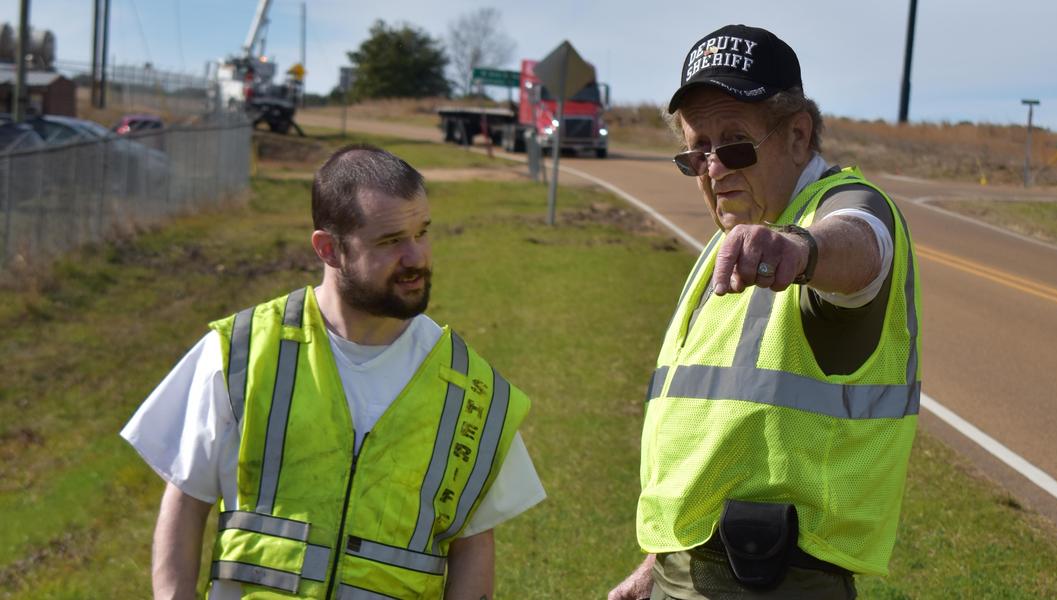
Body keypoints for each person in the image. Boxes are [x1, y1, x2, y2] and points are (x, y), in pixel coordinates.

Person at [122, 144, 545, 599]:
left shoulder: (471, 389)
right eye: (390, 241)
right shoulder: (242, 353)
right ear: (329, 249)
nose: (416, 257)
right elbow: (186, 500)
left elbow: (473, 543)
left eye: (422, 233)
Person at [609, 25, 921, 600]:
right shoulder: (725, 240)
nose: (713, 168)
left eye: (734, 144)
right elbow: (723, 429)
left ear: (798, 135)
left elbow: (864, 242)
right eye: (696, 151)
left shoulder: (835, 206)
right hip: (694, 569)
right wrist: (659, 566)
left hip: (772, 577)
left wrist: (801, 250)